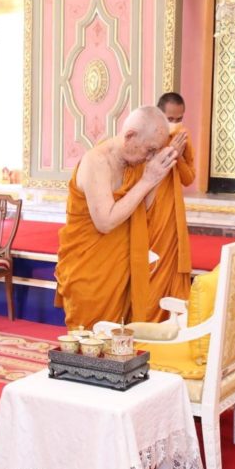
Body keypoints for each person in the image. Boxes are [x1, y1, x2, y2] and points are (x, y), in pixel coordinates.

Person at [55, 106, 178, 330]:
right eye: (149, 150)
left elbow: (144, 209)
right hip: (91, 274)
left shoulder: (136, 165)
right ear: (130, 136)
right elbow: (105, 222)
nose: (149, 157)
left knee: (117, 349)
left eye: (155, 152)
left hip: (122, 273)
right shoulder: (97, 162)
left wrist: (157, 174)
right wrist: (148, 180)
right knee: (90, 348)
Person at [143, 92, 195, 319]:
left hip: (173, 217)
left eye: (178, 119)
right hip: (152, 215)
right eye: (170, 119)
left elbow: (188, 178)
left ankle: (172, 324)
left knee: (173, 268)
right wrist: (169, 151)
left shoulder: (184, 138)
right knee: (152, 268)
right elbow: (144, 174)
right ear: (158, 116)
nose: (175, 124)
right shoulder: (146, 139)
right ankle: (148, 321)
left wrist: (180, 156)